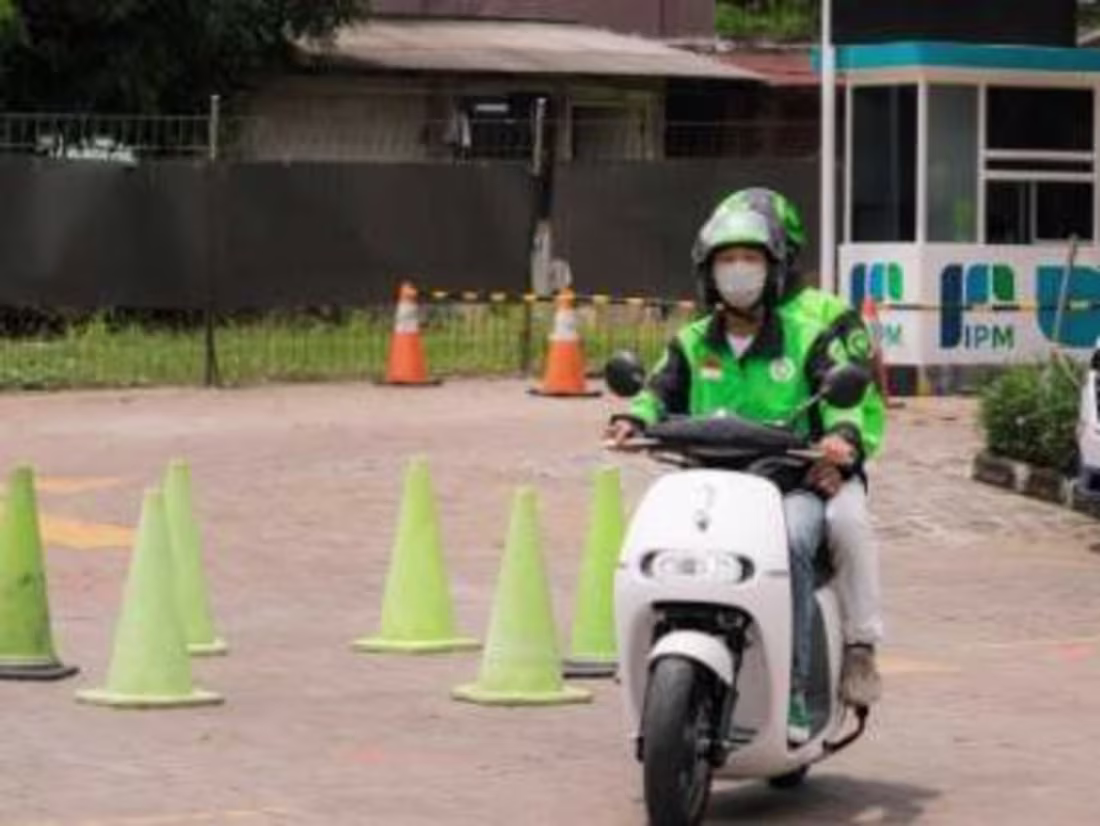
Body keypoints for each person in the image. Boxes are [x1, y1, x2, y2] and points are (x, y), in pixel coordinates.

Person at [606, 189, 886, 745]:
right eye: (727, 260)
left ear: (777, 265)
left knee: (806, 536)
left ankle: (808, 688)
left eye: (751, 259)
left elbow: (848, 402)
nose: (739, 271)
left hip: (793, 482)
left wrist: (841, 439)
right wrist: (631, 420)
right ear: (708, 272)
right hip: (710, 484)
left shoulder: (809, 333)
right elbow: (658, 390)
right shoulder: (691, 340)